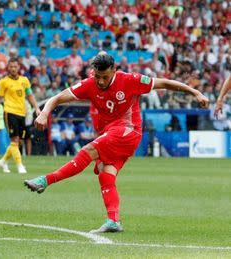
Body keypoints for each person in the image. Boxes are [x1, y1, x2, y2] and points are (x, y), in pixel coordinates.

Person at [24, 53, 209, 233]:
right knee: (106, 174)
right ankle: (113, 220)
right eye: (97, 76)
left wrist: (196, 92)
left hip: (128, 131)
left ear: (114, 70)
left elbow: (165, 83)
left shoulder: (130, 80)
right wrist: (43, 113)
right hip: (114, 133)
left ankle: (45, 180)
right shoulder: (90, 84)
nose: (101, 81)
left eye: (104, 77)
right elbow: (57, 98)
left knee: (88, 150)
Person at [0, 58, 41, 174]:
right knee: (14, 140)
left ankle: (3, 161)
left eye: (15, 66)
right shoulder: (3, 82)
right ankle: (20, 165)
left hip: (22, 113)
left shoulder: (24, 80)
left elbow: (30, 95)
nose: (13, 69)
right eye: (11, 67)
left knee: (18, 142)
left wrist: (37, 108)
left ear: (19, 67)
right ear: (8, 68)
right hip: (9, 112)